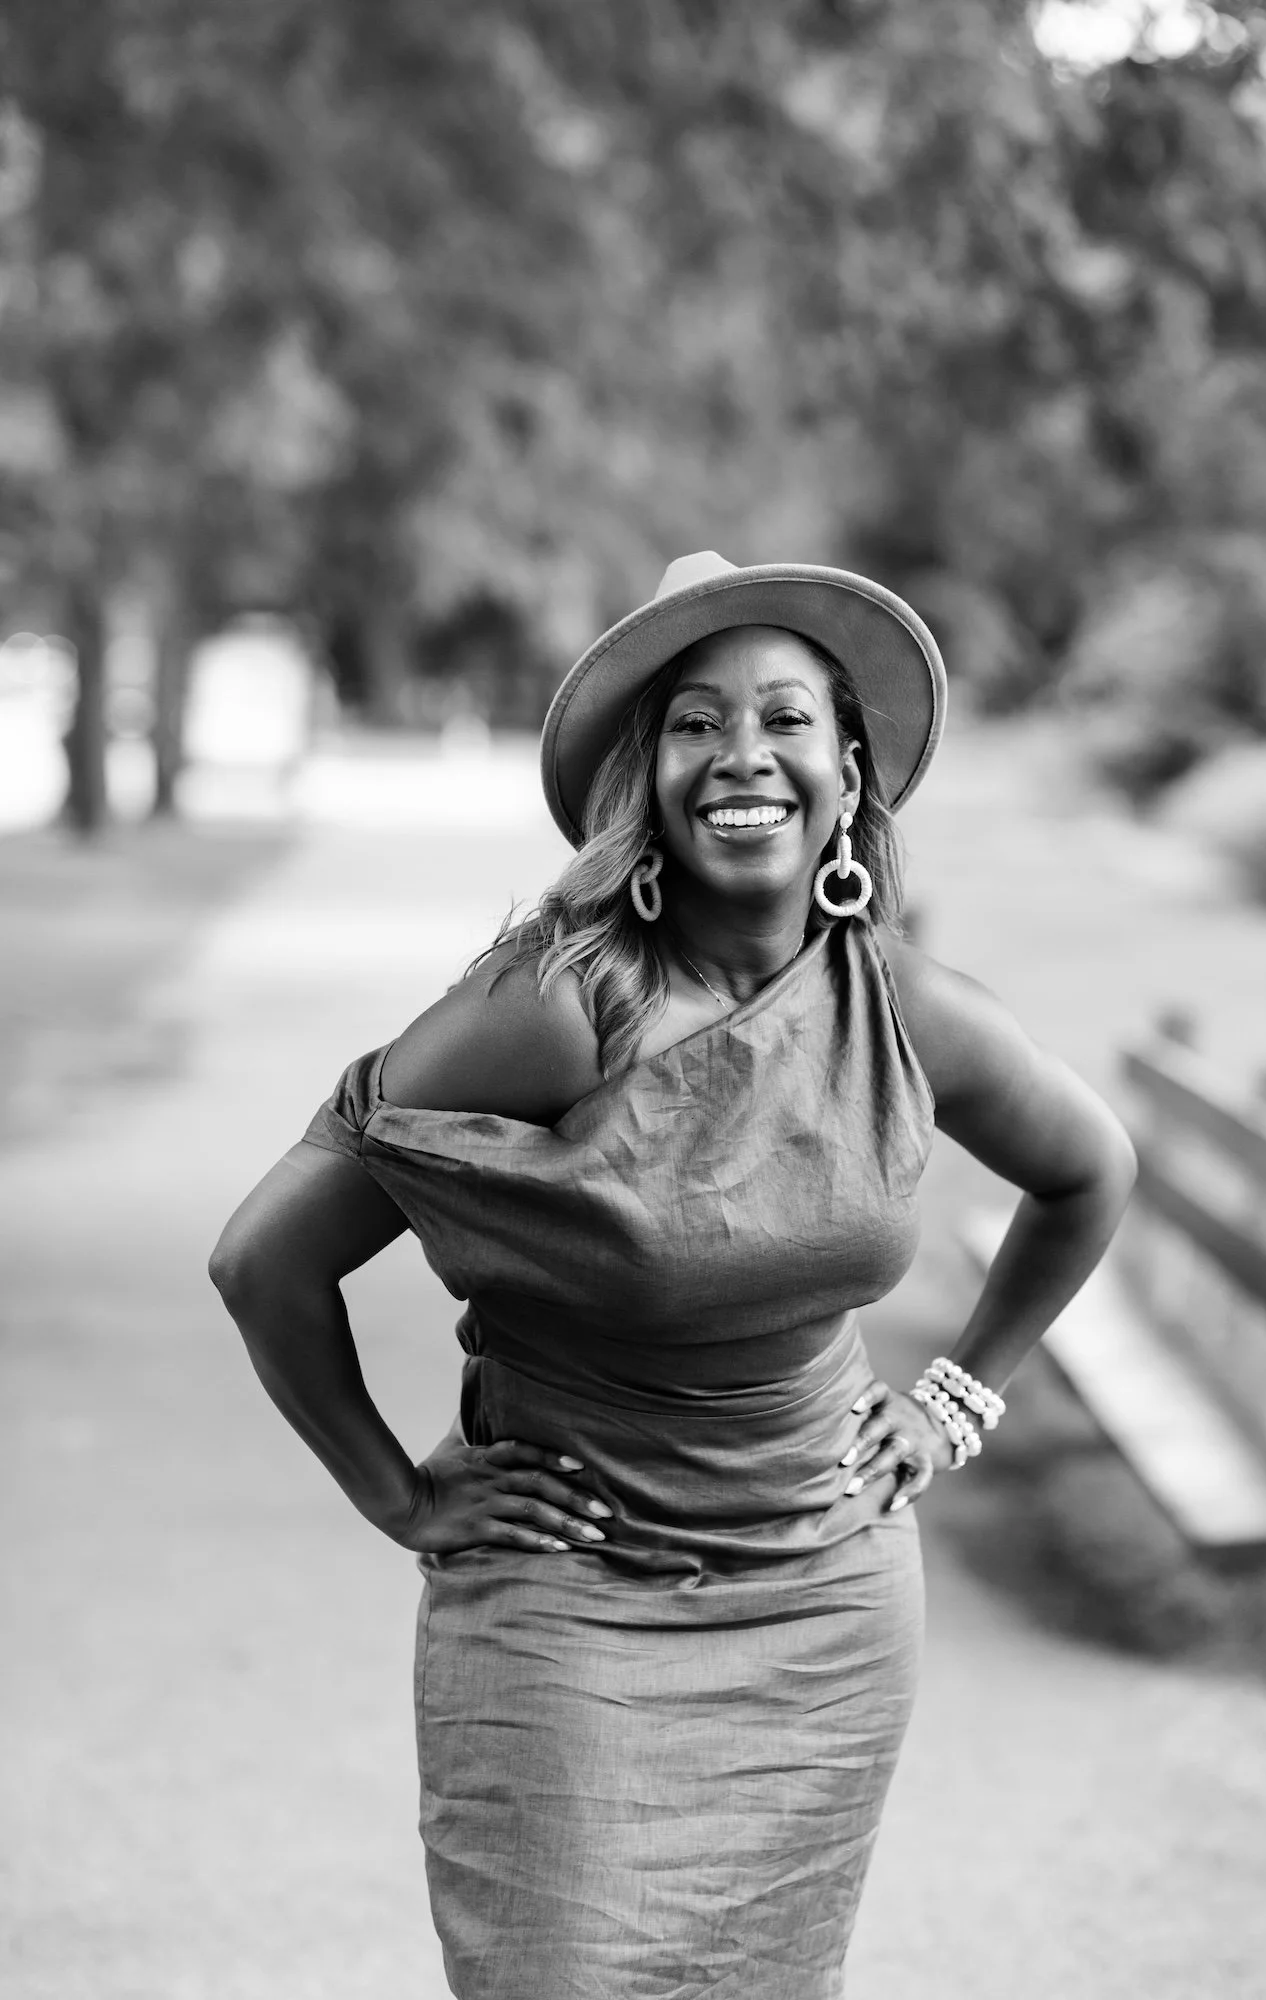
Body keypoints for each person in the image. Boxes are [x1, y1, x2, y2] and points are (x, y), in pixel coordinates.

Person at [210, 551, 1137, 1999]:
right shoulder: (556, 1009)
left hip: (824, 1606)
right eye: (696, 724)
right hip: (572, 1609)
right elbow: (265, 1255)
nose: (743, 755)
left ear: (847, 766)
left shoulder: (901, 1008)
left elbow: (1091, 1171)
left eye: (783, 718)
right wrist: (399, 1494)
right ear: (647, 777)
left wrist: (960, 1396)